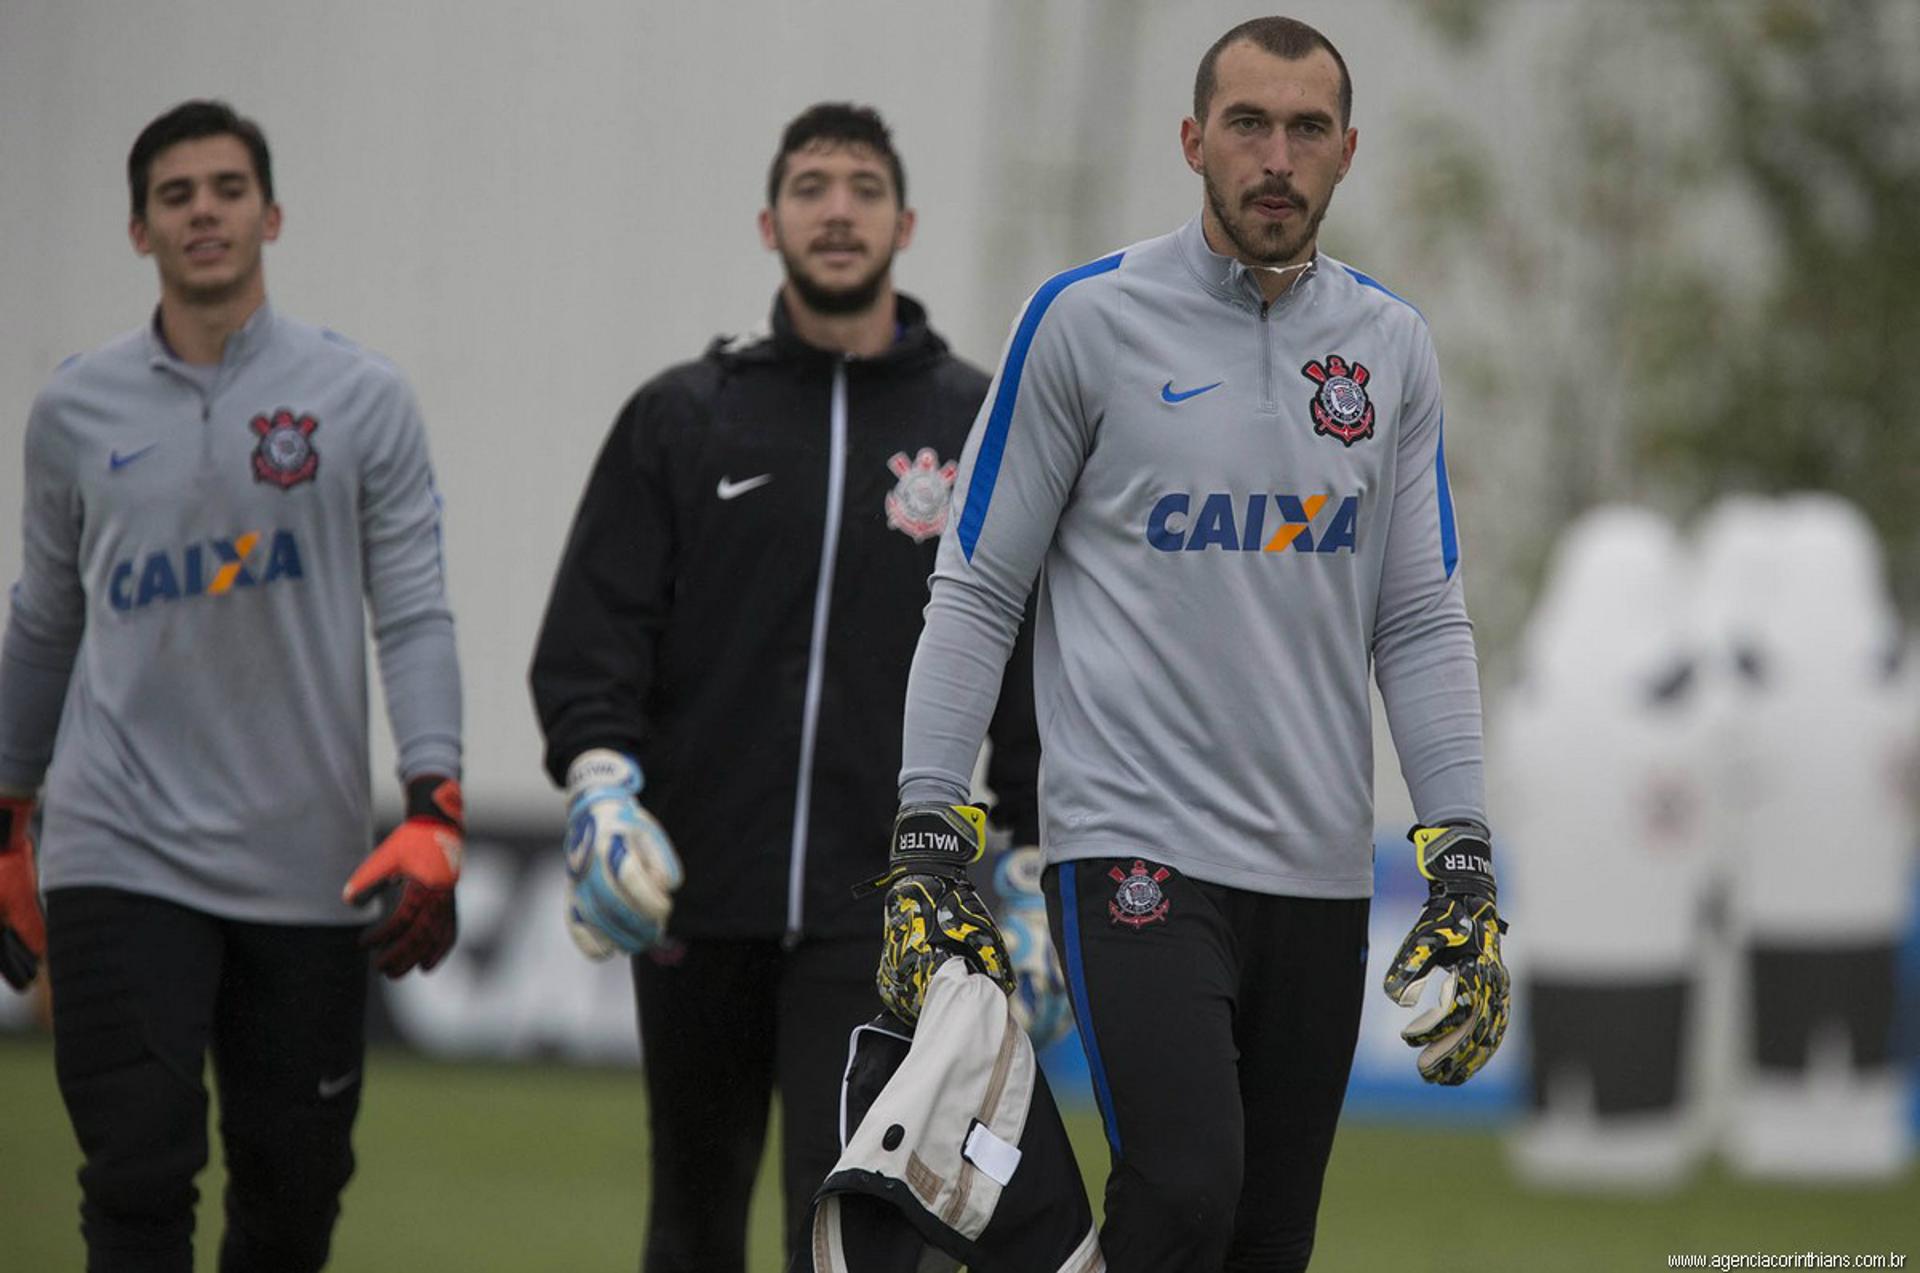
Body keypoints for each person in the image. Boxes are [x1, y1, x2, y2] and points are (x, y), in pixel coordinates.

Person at [870, 17, 1511, 1272]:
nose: (1276, 157)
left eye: (1306, 129)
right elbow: (978, 588)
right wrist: (928, 832)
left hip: (1319, 872)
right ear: (1192, 141)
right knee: (1183, 1193)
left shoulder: (1394, 349)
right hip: (1133, 845)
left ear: (1346, 153)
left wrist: (1464, 864)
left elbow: (1422, 619)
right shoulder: (1084, 322)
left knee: (1267, 1243)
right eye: (1248, 125)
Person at [527, 103, 1041, 1273]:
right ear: (770, 222)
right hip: (696, 900)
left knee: (851, 1226)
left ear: (906, 221)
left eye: (864, 186)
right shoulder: (685, 418)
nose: (839, 208)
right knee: (692, 1217)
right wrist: (601, 782)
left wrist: (1031, 853)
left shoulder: (976, 422)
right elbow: (594, 633)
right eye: (812, 187)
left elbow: (1028, 656)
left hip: (886, 911)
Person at [0, 100, 465, 1272]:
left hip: (306, 865)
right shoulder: (72, 413)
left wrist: (434, 802)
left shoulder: (364, 401)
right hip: (116, 851)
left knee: (292, 1202)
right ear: (138, 229)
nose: (202, 210)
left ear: (271, 213)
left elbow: (412, 611)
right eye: (175, 194)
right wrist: (8, 815)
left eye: (224, 187)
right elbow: (43, 620)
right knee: (139, 1173)